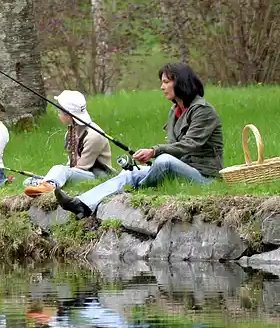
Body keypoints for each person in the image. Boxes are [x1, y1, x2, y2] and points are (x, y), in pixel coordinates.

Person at [54, 62, 224, 219]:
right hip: (182, 171)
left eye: (166, 82)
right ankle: (82, 204)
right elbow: (175, 147)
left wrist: (154, 151)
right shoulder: (175, 110)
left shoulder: (203, 111)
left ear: (180, 83)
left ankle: (138, 189)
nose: (161, 87)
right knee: (129, 173)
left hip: (204, 178)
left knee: (164, 161)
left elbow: (189, 144)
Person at [23, 90, 114, 197]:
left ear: (68, 114)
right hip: (78, 172)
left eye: (59, 111)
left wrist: (63, 173)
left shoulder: (94, 136)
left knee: (60, 169)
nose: (58, 113)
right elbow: (71, 162)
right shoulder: (71, 132)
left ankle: (51, 185)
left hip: (97, 175)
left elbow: (82, 167)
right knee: (28, 181)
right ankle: (49, 183)